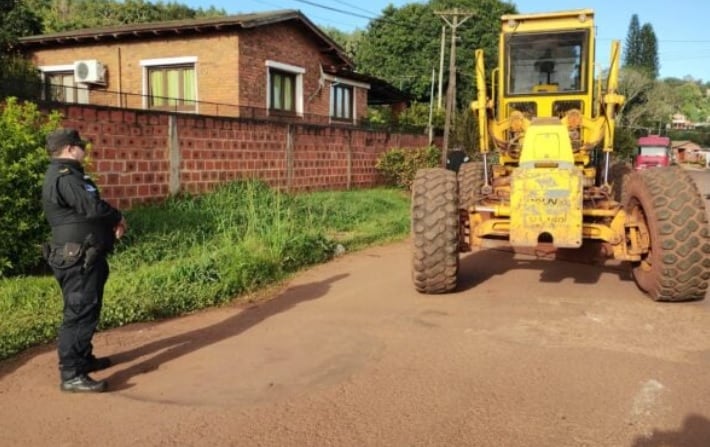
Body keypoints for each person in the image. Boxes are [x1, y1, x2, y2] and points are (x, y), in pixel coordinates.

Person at [42, 128, 127, 393]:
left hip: (83, 256)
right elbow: (91, 207)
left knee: (87, 308)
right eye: (80, 146)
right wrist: (117, 217)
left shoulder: (70, 175)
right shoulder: (66, 176)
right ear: (69, 148)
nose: (84, 150)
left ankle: (83, 359)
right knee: (79, 312)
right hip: (78, 258)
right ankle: (71, 374)